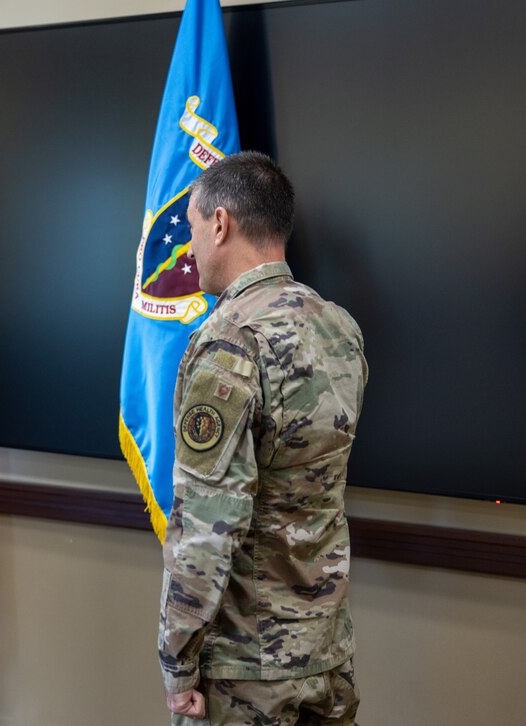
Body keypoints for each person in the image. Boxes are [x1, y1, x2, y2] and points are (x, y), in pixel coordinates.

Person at [159, 151, 368, 725]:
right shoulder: (338, 326)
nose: (192, 246)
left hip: (247, 669)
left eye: (195, 229)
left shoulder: (230, 341)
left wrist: (177, 662)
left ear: (221, 223)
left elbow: (206, 527)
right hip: (327, 651)